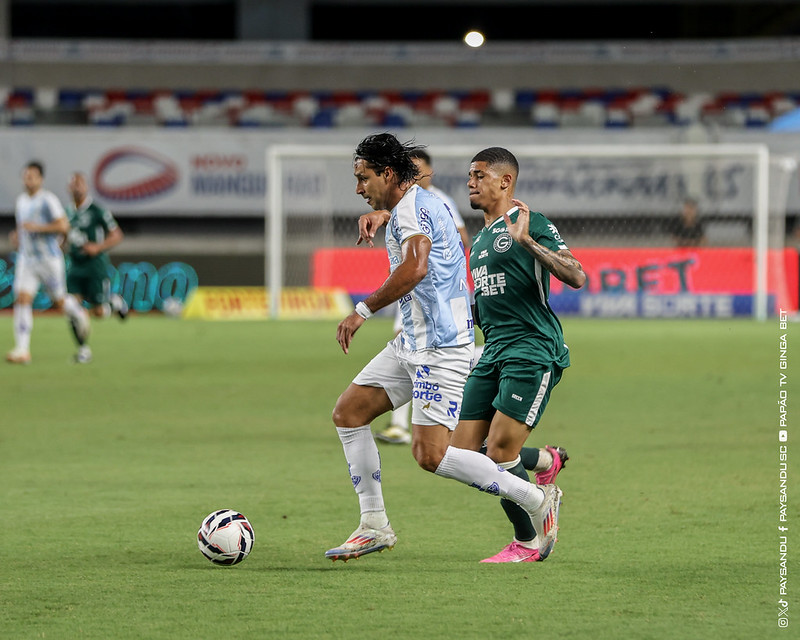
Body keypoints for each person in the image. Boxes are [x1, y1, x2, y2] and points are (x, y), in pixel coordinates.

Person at [326, 135, 562, 564]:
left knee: (430, 455)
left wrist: (362, 309)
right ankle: (374, 524)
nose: (359, 188)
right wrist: (383, 213)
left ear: (388, 174)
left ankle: (533, 496)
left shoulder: (412, 209)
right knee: (348, 412)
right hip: (411, 343)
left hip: (440, 348)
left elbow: (416, 266)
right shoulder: (414, 204)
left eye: (364, 179)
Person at [448, 146, 586, 562]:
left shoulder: (531, 223)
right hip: (493, 352)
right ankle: (545, 460)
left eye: (479, 175)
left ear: (505, 181)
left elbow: (576, 274)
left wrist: (527, 242)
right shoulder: (481, 241)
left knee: (500, 453)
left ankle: (528, 540)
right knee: (460, 454)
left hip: (531, 349)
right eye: (470, 176)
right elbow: (489, 303)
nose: (471, 183)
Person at [375, 149, 471, 445]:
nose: (413, 173)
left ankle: (438, 421)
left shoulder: (439, 201)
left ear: (429, 171)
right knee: (406, 351)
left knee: (433, 454)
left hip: (434, 297)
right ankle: (400, 424)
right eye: (409, 167)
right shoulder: (402, 205)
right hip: (411, 295)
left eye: (418, 168)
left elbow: (462, 238)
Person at [6, 161, 90, 364]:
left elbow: (64, 226)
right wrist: (18, 236)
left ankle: (77, 311)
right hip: (27, 260)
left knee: (59, 301)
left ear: (40, 179)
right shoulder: (21, 201)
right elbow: (24, 227)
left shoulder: (47, 200)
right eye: (26, 175)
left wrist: (38, 228)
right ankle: (22, 350)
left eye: (32, 176)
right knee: (22, 299)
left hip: (48, 260)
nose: (28, 179)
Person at [64, 171, 129, 364]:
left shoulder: (97, 211)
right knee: (71, 308)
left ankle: (114, 304)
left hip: (95, 267)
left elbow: (117, 234)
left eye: (80, 183)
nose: (77, 187)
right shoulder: (66, 213)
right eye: (73, 184)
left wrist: (98, 247)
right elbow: (64, 237)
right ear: (68, 188)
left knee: (99, 312)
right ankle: (83, 350)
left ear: (87, 187)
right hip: (75, 267)